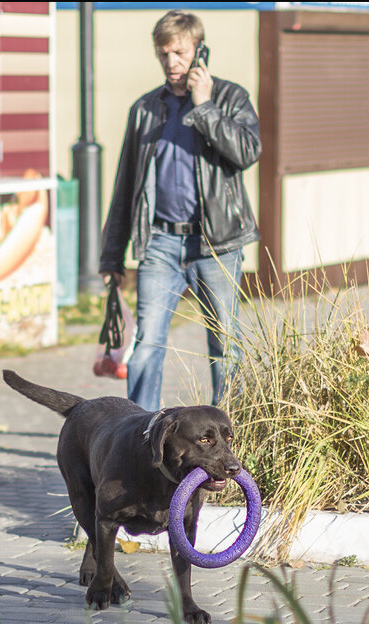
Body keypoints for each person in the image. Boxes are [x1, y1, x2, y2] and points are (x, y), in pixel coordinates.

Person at [99, 9, 261, 411]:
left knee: (225, 347)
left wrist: (205, 107)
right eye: (164, 54)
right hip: (160, 244)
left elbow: (246, 152)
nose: (172, 62)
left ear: (199, 50)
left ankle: (228, 435)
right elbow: (126, 186)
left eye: (180, 52)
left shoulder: (230, 97)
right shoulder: (144, 110)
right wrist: (111, 255)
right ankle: (138, 435)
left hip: (217, 245)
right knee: (145, 346)